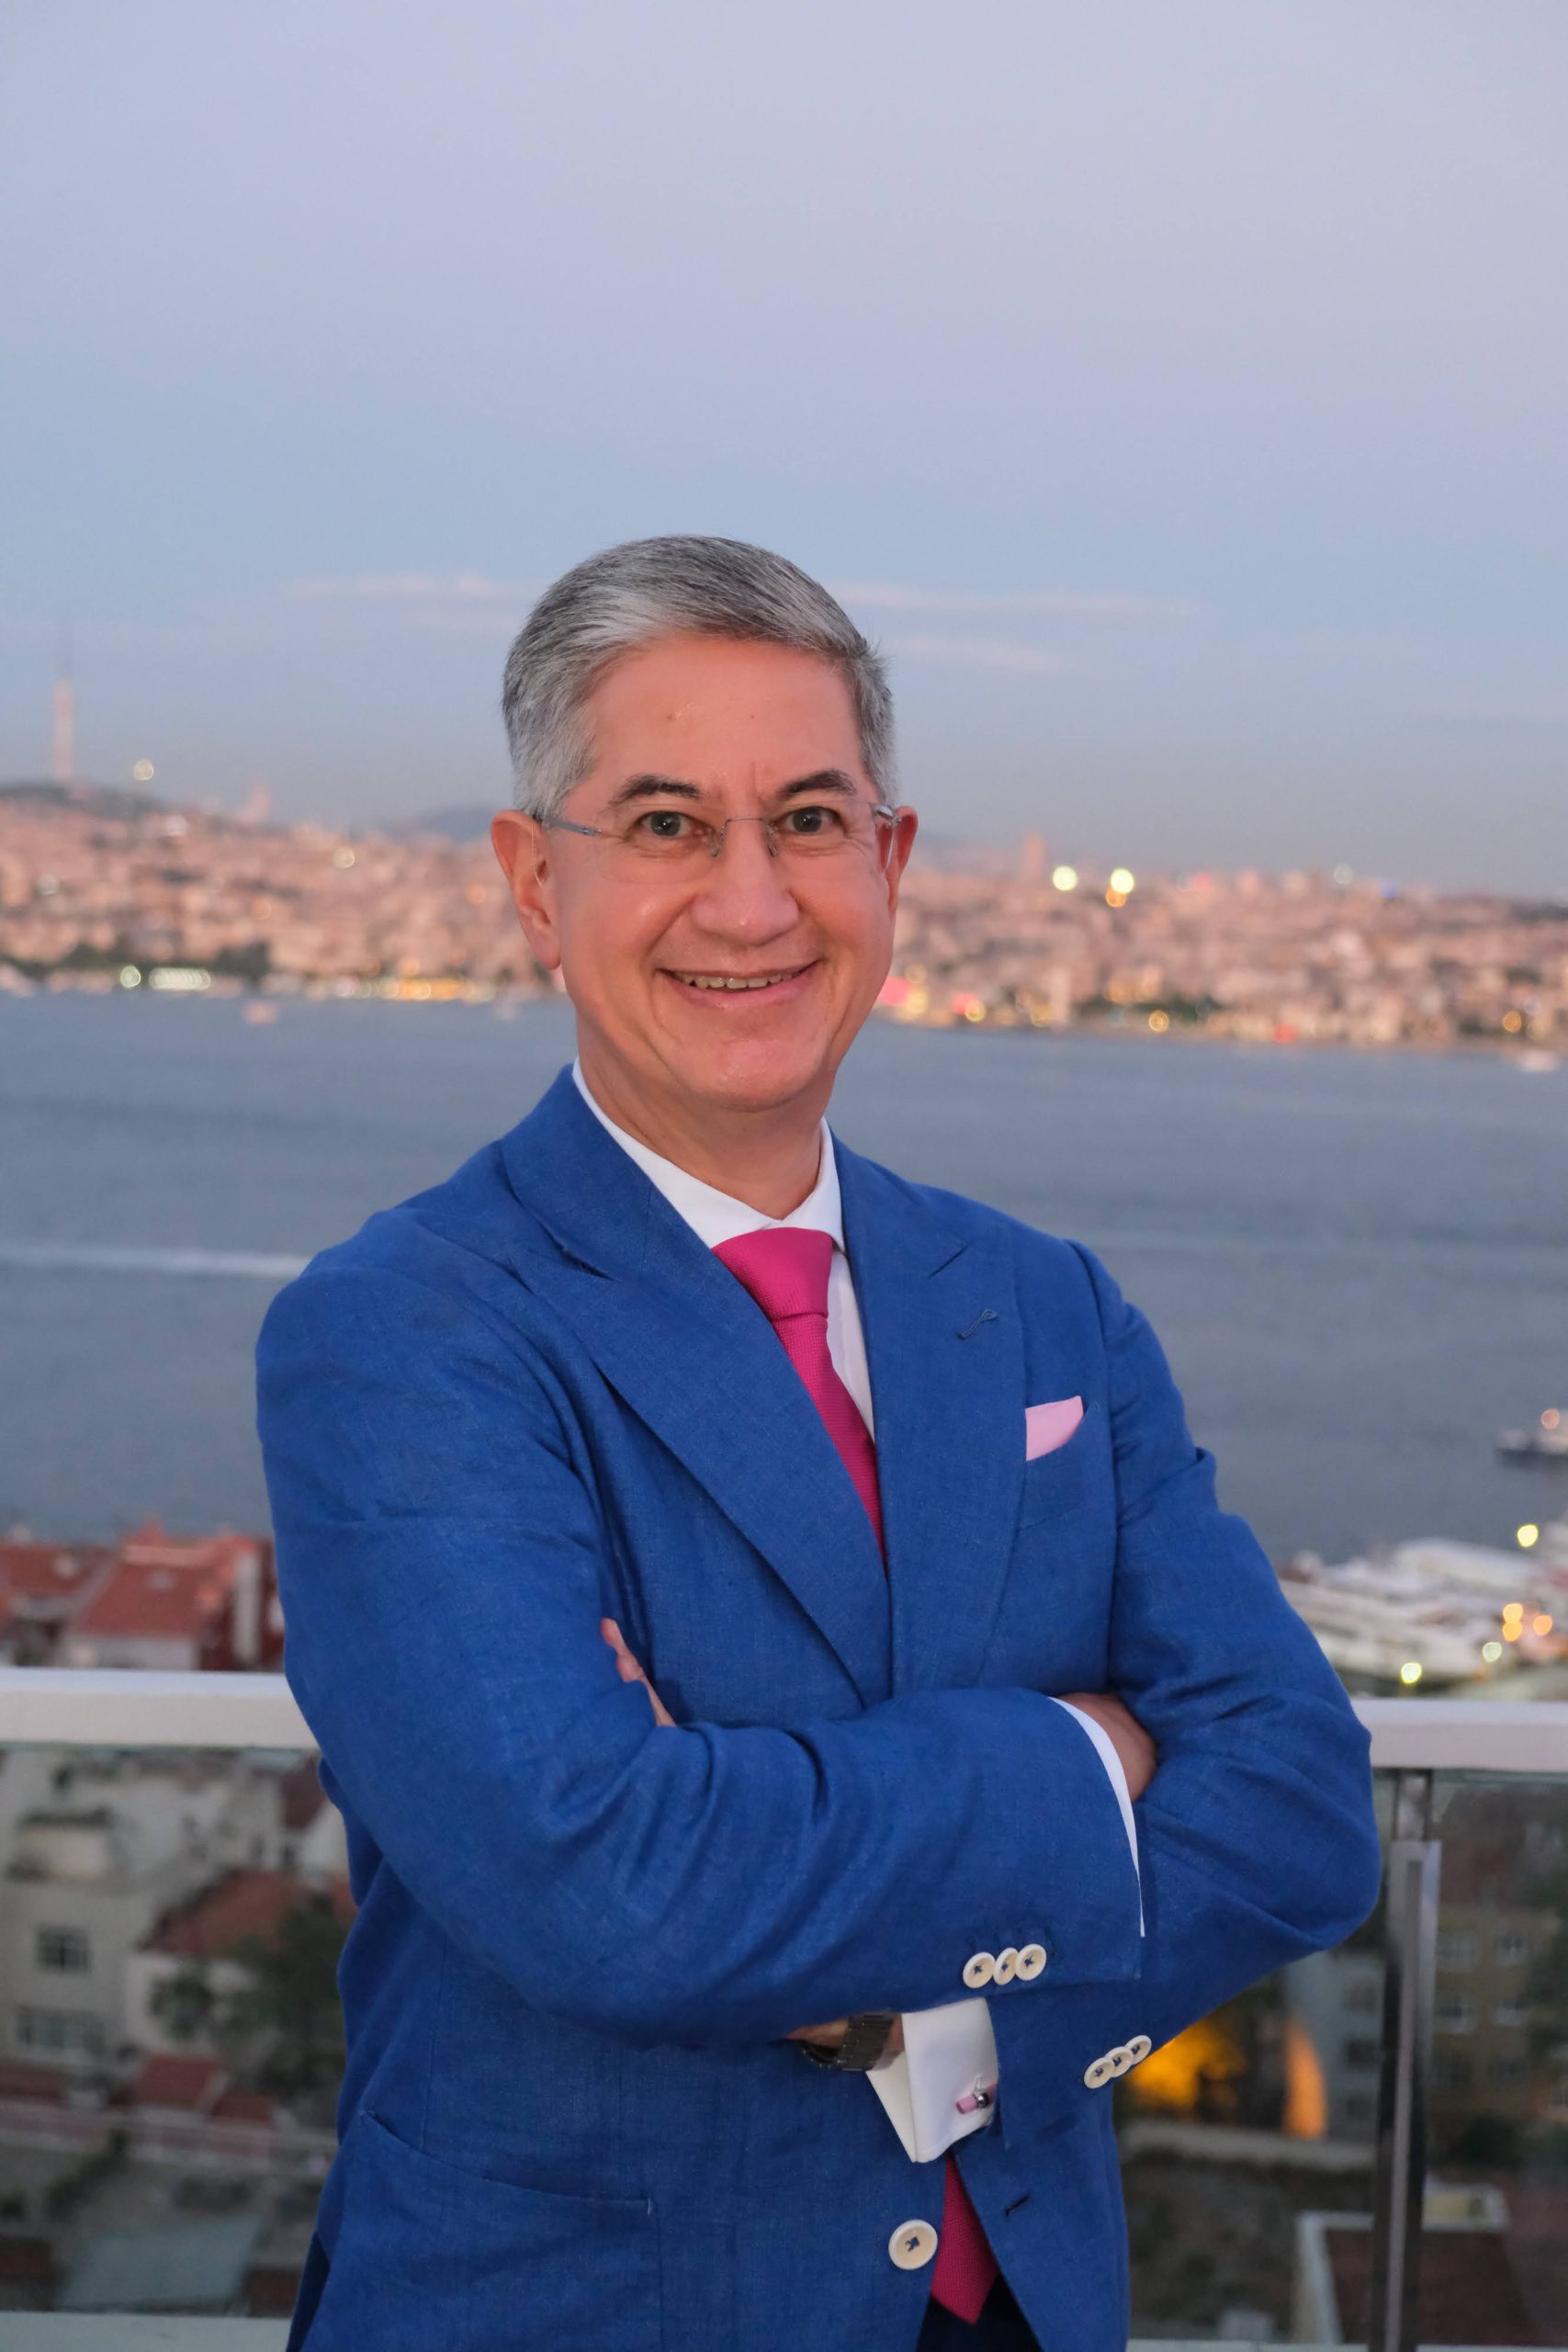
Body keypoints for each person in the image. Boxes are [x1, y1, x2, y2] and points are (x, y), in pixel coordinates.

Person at [256, 534, 1382, 2352]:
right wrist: (1085, 1753)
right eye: (665, 823)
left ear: (891, 861)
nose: (750, 898)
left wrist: (921, 2019)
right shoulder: (404, 1330)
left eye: (804, 818)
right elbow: (608, 1887)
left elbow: (1303, 1804)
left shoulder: (1043, 1306)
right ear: (535, 880)